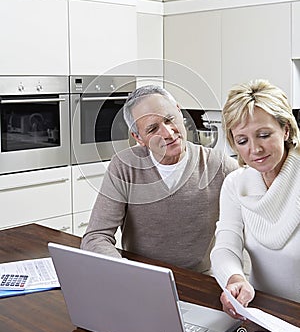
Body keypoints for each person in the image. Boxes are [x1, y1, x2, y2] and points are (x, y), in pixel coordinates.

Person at [81, 85, 238, 272]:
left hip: (199, 280)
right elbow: (96, 236)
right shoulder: (124, 167)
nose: (168, 133)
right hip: (141, 277)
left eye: (170, 119)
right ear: (138, 138)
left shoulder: (219, 165)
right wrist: (124, 271)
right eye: (153, 129)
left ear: (179, 111)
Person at [210, 79, 300, 316]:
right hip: (264, 311)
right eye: (243, 141)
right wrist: (235, 278)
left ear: (286, 130)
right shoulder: (235, 184)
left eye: (264, 135)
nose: (255, 149)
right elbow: (226, 246)